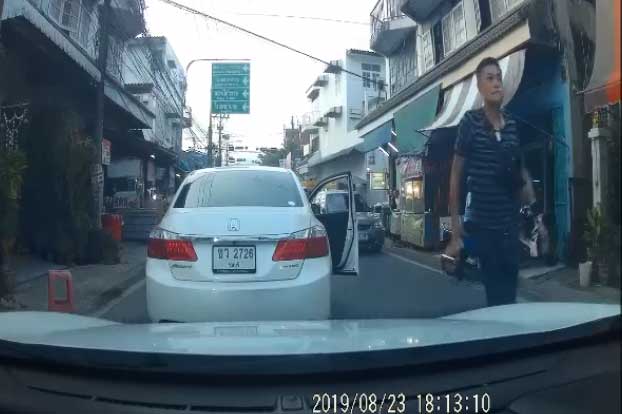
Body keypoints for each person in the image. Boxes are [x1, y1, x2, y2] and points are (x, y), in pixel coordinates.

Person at [445, 57, 536, 307]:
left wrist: (531, 206)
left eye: (499, 78)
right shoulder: (470, 123)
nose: (497, 83)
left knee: (510, 293)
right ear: (480, 87)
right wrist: (455, 230)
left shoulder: (513, 126)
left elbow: (519, 171)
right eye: (490, 78)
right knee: (496, 294)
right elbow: (455, 176)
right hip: (484, 226)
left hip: (510, 225)